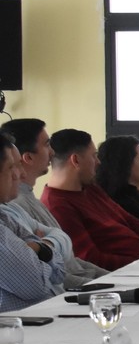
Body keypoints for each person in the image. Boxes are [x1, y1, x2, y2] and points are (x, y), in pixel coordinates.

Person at [0, 118, 107, 288]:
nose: (52, 152)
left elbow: (67, 251)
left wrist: (45, 244)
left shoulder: (24, 202)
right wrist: (107, 285)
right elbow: (42, 276)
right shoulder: (17, 203)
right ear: (28, 157)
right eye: (46, 145)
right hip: (64, 293)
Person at [41, 129, 139, 271]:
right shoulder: (57, 206)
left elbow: (131, 220)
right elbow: (90, 259)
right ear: (76, 160)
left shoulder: (91, 188)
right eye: (94, 156)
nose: (98, 162)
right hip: (122, 275)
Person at [0, 133, 64, 311]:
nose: (20, 174)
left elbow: (60, 272)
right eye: (12, 167)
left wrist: (39, 248)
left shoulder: (5, 215)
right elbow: (37, 285)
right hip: (19, 325)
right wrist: (42, 250)